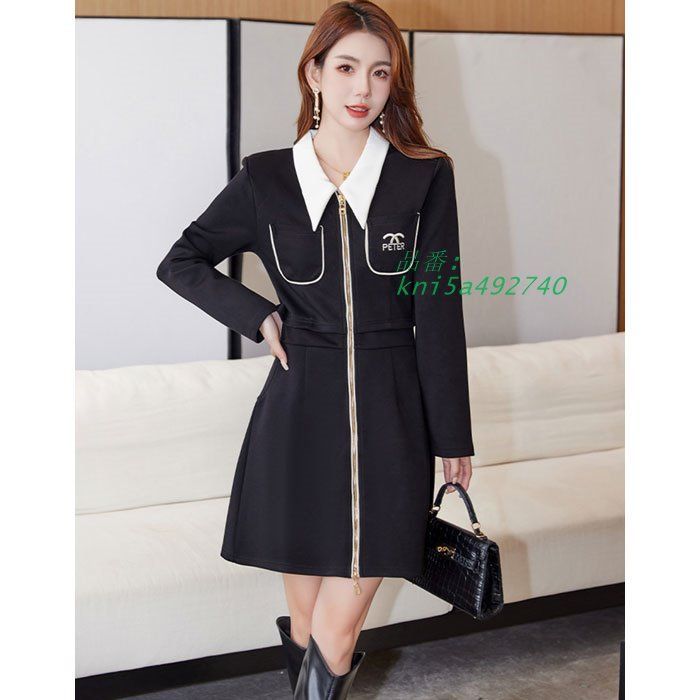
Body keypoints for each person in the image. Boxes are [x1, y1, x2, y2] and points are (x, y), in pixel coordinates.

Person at [156, 2, 475, 697]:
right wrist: (259, 316)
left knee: (336, 627)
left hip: (394, 421)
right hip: (298, 418)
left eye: (381, 72)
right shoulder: (267, 180)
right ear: (315, 74)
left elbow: (439, 309)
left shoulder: (423, 177)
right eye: (347, 67)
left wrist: (453, 434)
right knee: (305, 623)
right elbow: (181, 262)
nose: (364, 88)